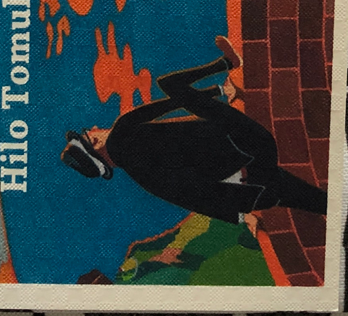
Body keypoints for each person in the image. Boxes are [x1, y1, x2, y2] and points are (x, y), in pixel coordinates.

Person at [61, 37, 328, 225]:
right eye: (89, 133)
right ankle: (227, 65)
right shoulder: (122, 129)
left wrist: (239, 215)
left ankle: (332, 208)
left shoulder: (139, 175)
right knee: (168, 83)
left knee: (305, 197)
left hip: (248, 177)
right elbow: (169, 104)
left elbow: (189, 197)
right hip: (245, 139)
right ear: (95, 143)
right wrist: (215, 91)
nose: (93, 128)